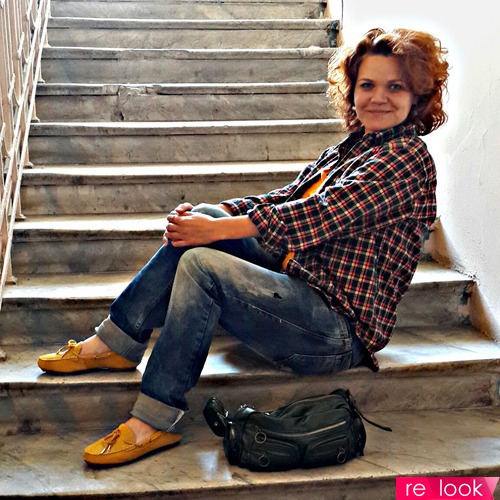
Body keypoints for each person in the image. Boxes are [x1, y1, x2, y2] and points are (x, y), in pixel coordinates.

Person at [37, 27, 449, 467]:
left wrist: (213, 232)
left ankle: (153, 420)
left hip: (335, 330)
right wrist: (215, 215)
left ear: (417, 97)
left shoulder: (407, 159)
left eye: (395, 87)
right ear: (352, 90)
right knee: (209, 219)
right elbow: (286, 198)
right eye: (367, 85)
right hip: (299, 286)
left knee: (202, 264)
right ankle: (117, 341)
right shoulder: (349, 149)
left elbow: (320, 214)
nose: (378, 97)